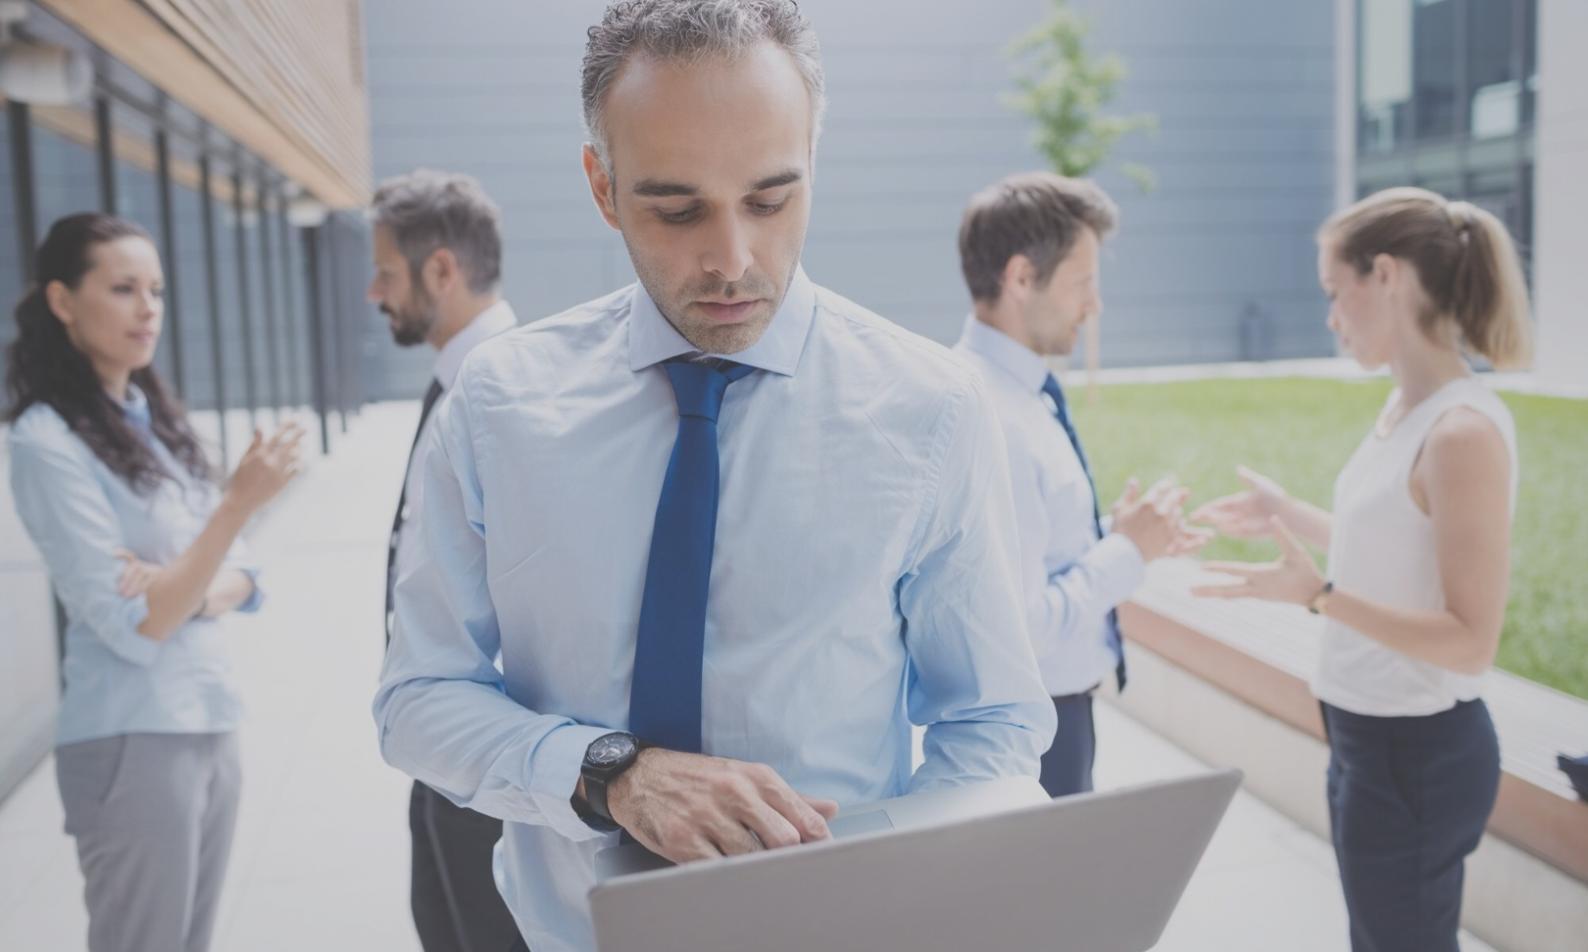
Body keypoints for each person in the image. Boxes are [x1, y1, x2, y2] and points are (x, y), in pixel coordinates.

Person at [373, 2, 1055, 950]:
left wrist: (897, 898)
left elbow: (989, 719)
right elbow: (417, 699)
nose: (732, 261)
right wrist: (609, 772)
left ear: (815, 159)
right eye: (677, 208)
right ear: (603, 188)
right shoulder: (497, 405)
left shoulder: (932, 407)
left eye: (771, 200)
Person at [1192, 186, 1531, 952]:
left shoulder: (1461, 431)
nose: (1330, 316)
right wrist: (1289, 514)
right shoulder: (1405, 410)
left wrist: (1318, 596)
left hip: (1417, 755)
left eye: (1333, 292)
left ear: (1386, 276)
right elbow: (1397, 544)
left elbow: (1470, 640)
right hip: (1365, 737)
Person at [5, 213, 302, 952]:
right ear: (63, 302)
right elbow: (134, 622)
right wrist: (234, 508)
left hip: (207, 716)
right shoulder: (45, 442)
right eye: (124, 288)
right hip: (132, 736)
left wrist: (182, 587)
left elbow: (245, 578)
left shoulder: (152, 420)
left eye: (158, 291)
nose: (149, 310)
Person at [952, 172, 1210, 798]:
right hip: (1039, 727)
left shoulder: (1017, 393)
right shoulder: (995, 418)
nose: (1095, 305)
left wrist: (1111, 538)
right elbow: (1024, 629)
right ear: (1020, 278)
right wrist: (1128, 554)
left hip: (1054, 714)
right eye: (1084, 282)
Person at [367, 169, 520, 952]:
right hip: (440, 738)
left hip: (489, 750)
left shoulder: (511, 395)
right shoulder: (456, 383)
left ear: (440, 270)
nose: (373, 292)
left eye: (385, 272)